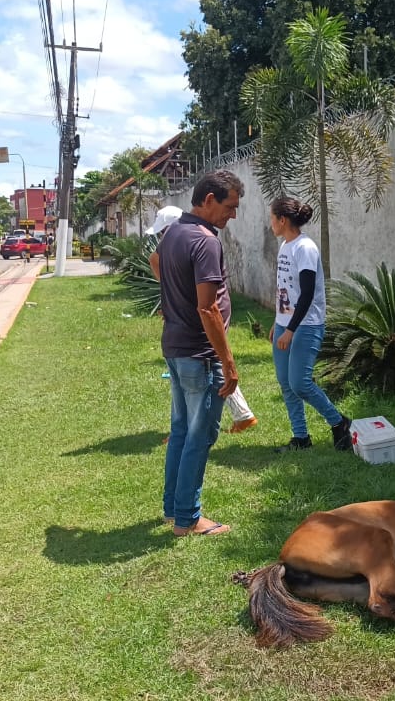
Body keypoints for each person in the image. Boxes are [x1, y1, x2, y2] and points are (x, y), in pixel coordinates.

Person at [147, 171, 243, 537]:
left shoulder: (173, 232)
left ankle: (174, 508)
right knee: (199, 436)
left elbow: (158, 263)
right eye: (229, 207)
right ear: (208, 200)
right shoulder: (205, 241)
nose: (231, 215)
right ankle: (188, 518)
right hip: (199, 354)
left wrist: (174, 296)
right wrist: (228, 361)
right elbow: (208, 309)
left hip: (175, 347)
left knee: (182, 430)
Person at [150, 204, 258, 435]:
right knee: (212, 367)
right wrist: (174, 293)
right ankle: (241, 414)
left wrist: (176, 295)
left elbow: (208, 305)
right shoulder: (188, 240)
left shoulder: (198, 240)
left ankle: (196, 428)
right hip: (198, 317)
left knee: (207, 368)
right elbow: (155, 260)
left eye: (162, 232)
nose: (162, 238)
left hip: (200, 320)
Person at [268, 196, 351, 453]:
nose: (270, 223)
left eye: (272, 218)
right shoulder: (285, 245)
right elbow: (285, 290)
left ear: (282, 220)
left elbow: (306, 295)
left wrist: (291, 330)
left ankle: (339, 422)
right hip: (285, 324)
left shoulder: (305, 248)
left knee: (300, 383)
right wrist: (277, 322)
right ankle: (301, 437)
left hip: (306, 325)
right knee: (286, 382)